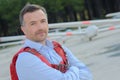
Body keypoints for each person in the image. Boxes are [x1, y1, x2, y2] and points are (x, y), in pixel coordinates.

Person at [10, 3, 93, 80]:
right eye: (33, 23)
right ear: (23, 29)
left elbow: (87, 74)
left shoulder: (58, 47)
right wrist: (74, 69)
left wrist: (69, 74)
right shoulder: (25, 59)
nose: (40, 27)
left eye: (43, 21)